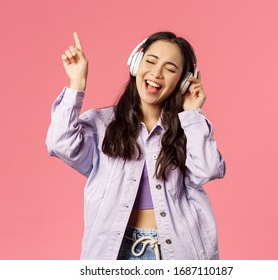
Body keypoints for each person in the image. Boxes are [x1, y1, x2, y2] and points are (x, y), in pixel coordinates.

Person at [46, 31, 226, 260]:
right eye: (151, 61)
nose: (157, 73)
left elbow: (208, 170)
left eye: (170, 69)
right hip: (113, 252)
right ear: (135, 63)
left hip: (174, 252)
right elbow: (59, 143)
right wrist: (77, 83)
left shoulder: (187, 130)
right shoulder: (102, 125)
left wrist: (193, 114)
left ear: (182, 82)